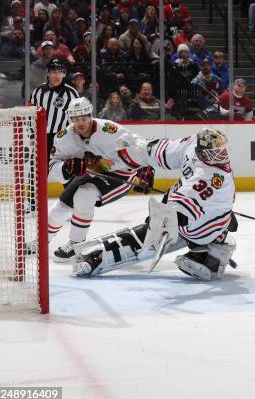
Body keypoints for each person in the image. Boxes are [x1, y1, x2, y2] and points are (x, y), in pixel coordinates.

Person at [72, 128, 236, 282]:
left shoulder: (214, 178)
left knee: (152, 233)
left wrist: (164, 221)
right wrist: (132, 155)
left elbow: (182, 211)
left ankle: (97, 257)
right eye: (216, 152)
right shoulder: (193, 145)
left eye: (222, 149)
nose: (222, 154)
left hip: (198, 222)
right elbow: (162, 151)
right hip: (200, 209)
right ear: (201, 152)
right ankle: (214, 247)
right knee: (160, 226)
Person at [44, 97, 152, 261]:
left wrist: (146, 166)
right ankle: (41, 241)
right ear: (70, 119)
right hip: (93, 173)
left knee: (84, 194)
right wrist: (65, 168)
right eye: (76, 119)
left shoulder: (110, 130)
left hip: (120, 174)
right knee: (63, 203)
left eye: (84, 118)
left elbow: (137, 144)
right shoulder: (64, 136)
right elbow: (53, 163)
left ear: (90, 115)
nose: (80, 123)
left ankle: (76, 243)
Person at [30, 58, 80, 161]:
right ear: (48, 73)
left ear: (64, 74)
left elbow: (78, 116)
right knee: (39, 168)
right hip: (41, 137)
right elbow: (31, 115)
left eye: (60, 72)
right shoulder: (38, 91)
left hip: (63, 137)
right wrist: (31, 135)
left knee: (59, 169)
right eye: (53, 72)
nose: (57, 76)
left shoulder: (72, 93)